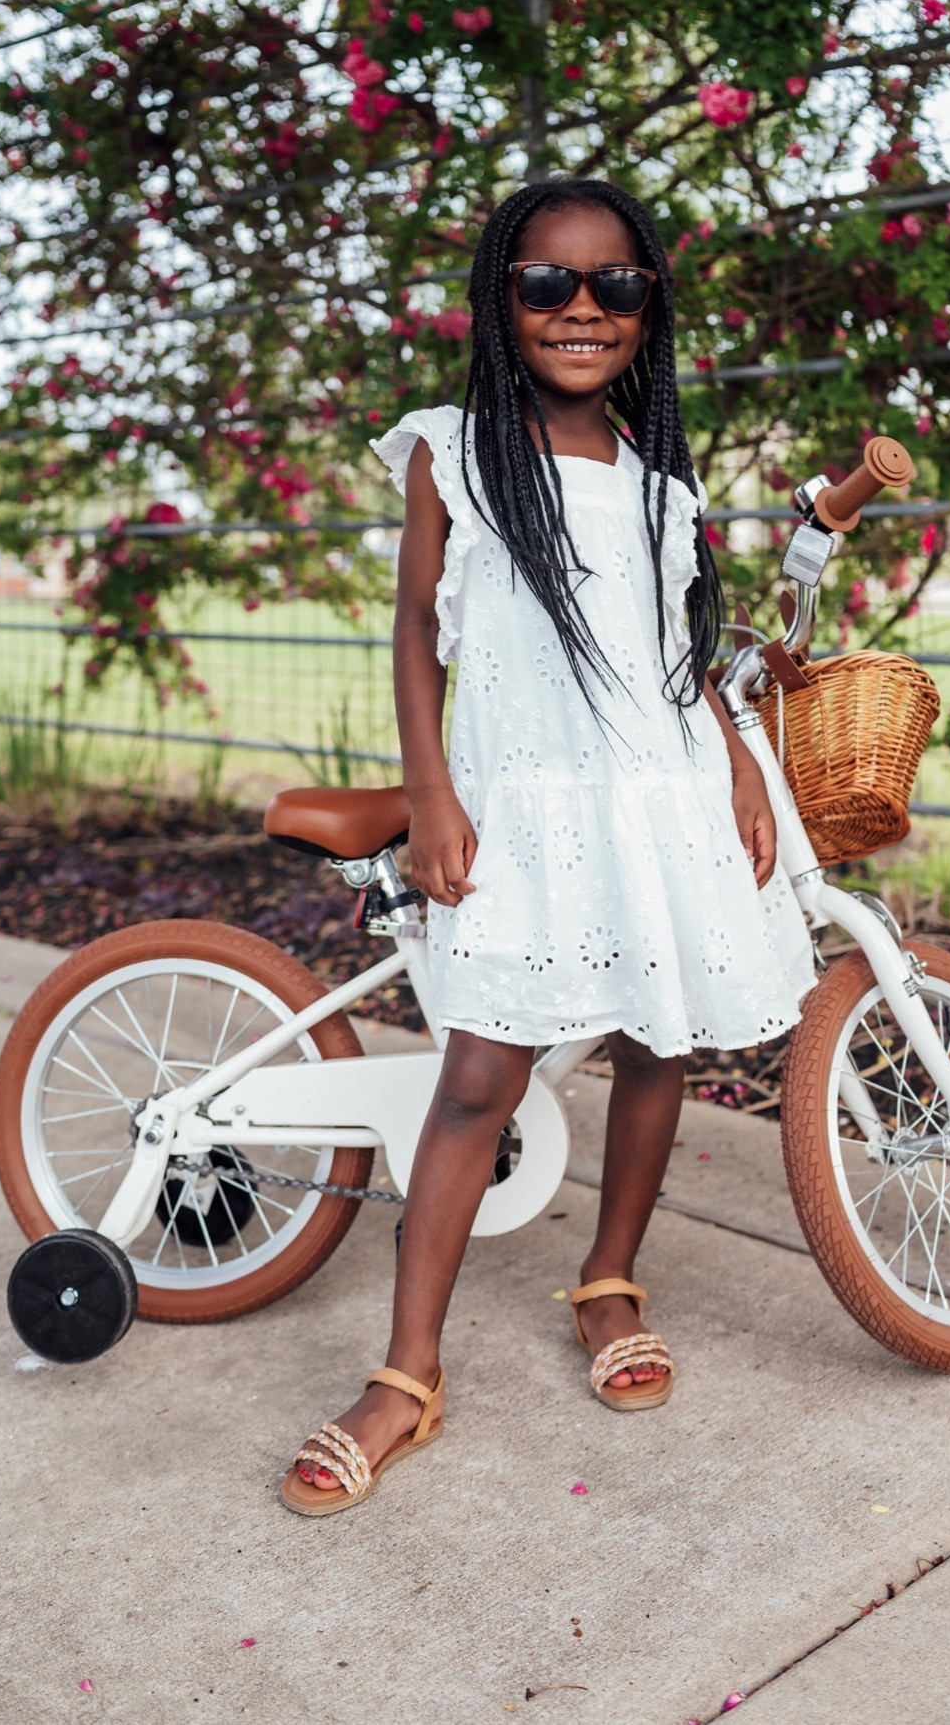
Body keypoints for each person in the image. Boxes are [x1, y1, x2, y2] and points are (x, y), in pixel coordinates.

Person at [280, 177, 813, 1517]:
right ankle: (408, 1368)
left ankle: (609, 1275)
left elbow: (679, 658)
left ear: (649, 309)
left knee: (658, 1039)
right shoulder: (451, 451)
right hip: (521, 803)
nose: (583, 307)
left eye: (615, 285)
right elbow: (414, 627)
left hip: (662, 800)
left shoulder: (658, 490)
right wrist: (431, 790)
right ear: (499, 301)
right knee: (480, 1072)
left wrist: (745, 766)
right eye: (548, 284)